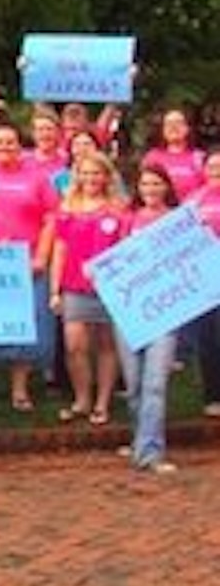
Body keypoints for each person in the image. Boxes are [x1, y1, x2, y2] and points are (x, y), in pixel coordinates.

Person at [0, 125, 58, 413]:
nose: (4, 147)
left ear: (20, 147)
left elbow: (52, 217)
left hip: (28, 262)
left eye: (10, 142)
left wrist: (41, 256)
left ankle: (19, 387)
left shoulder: (37, 177)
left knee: (25, 323)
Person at [48, 151, 127, 427]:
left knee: (107, 346)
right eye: (86, 172)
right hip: (74, 286)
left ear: (106, 176)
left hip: (109, 290)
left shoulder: (118, 208)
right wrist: (54, 289)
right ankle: (82, 397)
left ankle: (102, 402)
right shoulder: (67, 208)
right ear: (77, 175)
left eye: (97, 173)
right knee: (74, 346)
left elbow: (127, 249)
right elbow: (60, 248)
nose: (91, 178)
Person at [116, 165, 182, 472]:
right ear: (138, 189)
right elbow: (112, 259)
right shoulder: (126, 220)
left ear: (166, 187)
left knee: (155, 384)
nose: (151, 189)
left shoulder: (181, 222)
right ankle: (140, 439)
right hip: (129, 311)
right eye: (145, 184)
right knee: (134, 385)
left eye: (157, 183)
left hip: (166, 312)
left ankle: (150, 452)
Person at [186, 149, 220, 416]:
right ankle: (212, 395)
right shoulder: (193, 200)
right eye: (212, 167)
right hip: (205, 279)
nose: (216, 171)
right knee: (208, 338)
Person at [141, 109, 205, 198]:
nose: (173, 127)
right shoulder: (152, 157)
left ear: (187, 128)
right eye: (168, 124)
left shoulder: (199, 157)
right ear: (163, 130)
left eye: (178, 123)